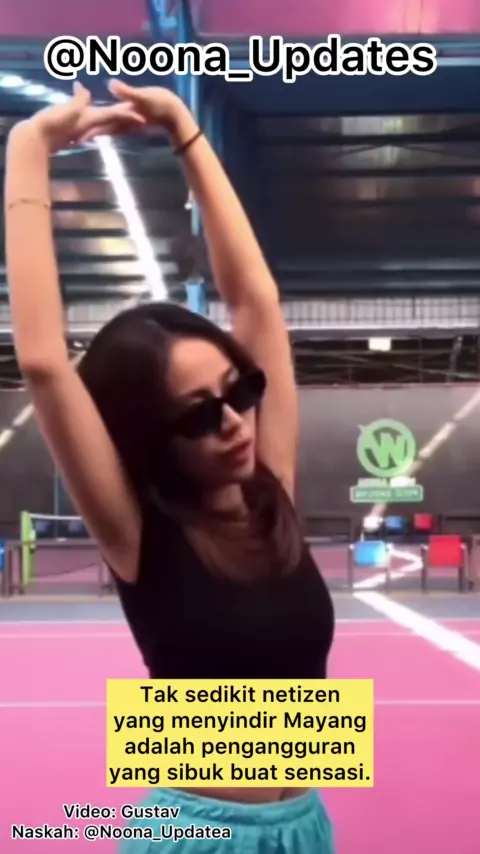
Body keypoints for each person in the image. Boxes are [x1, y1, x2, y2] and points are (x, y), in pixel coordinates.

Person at [5, 81, 335, 852]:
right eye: (196, 414)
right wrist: (28, 148)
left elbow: (256, 301)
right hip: (194, 833)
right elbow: (45, 360)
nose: (235, 422)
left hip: (305, 823)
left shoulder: (271, 491)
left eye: (239, 390)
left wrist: (184, 126)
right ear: (152, 436)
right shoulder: (140, 535)